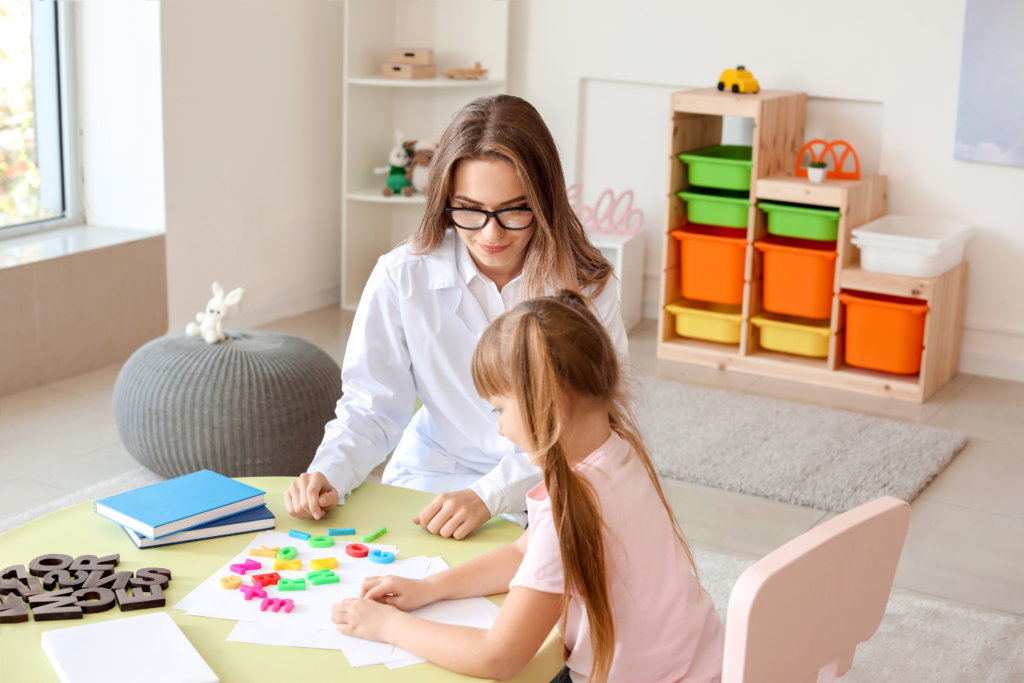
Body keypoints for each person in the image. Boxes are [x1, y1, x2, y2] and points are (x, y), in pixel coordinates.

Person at [330, 291, 724, 683]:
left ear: (548, 401)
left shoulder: (569, 512)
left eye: (500, 409)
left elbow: (498, 657)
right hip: (706, 666)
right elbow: (524, 553)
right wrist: (430, 588)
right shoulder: (619, 451)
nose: (500, 428)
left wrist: (387, 626)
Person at [284, 95, 628, 538]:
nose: (491, 232)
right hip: (435, 474)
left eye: (513, 209)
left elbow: (593, 421)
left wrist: (490, 494)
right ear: (445, 200)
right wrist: (330, 471)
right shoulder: (402, 276)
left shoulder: (587, 284)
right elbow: (371, 405)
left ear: (545, 200)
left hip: (556, 478)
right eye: (470, 209)